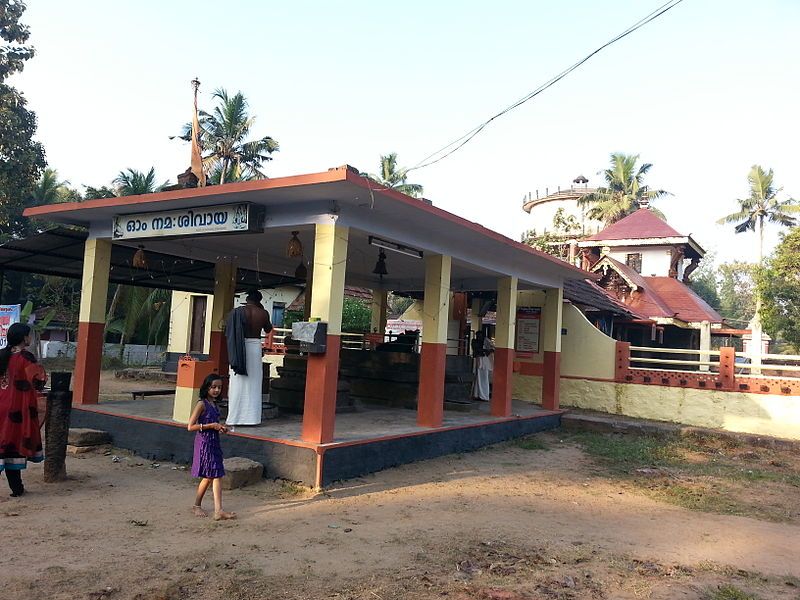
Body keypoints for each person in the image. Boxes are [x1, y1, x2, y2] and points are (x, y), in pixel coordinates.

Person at [0, 323, 46, 497]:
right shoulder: (26, 358)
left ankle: (18, 489)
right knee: (12, 448)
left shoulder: (1, 355)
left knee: (2, 446)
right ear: (24, 338)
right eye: (29, 335)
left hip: (1, 407)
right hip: (17, 410)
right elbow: (39, 381)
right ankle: (17, 490)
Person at [188, 374, 235, 520]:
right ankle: (214, 509)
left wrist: (221, 428)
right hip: (204, 443)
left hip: (214, 441)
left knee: (212, 476)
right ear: (207, 387)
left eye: (219, 387)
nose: (216, 390)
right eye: (213, 387)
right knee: (213, 475)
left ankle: (209, 508)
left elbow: (214, 424)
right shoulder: (201, 404)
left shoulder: (215, 404)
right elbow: (190, 426)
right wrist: (210, 426)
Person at [225, 289, 272, 426]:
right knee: (254, 382)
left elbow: (228, 328)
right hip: (255, 347)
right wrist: (262, 310)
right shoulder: (263, 313)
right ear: (259, 300)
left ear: (247, 299)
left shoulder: (238, 312)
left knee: (237, 381)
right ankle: (252, 418)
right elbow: (268, 329)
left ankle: (235, 417)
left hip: (240, 346)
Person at [471, 330, 494, 402]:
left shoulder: (486, 341)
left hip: (484, 361)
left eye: (480, 336)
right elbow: (476, 349)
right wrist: (484, 351)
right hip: (478, 359)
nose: (479, 337)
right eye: (478, 336)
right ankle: (477, 394)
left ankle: (484, 395)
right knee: (477, 378)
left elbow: (492, 349)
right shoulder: (474, 341)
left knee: (483, 378)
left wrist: (486, 351)